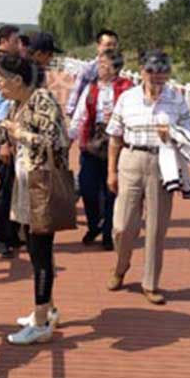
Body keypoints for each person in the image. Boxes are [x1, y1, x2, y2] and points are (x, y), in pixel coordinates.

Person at [0, 54, 71, 345]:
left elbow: (57, 141)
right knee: (34, 248)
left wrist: (22, 134)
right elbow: (0, 136)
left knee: (40, 251)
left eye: (1, 80)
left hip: (42, 184)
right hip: (26, 184)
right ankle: (47, 310)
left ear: (17, 80)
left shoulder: (42, 100)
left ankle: (41, 323)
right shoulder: (18, 103)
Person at [105, 50, 190, 305]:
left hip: (162, 162)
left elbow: (189, 134)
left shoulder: (176, 99)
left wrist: (173, 134)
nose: (157, 76)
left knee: (156, 228)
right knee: (122, 226)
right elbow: (115, 137)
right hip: (131, 158)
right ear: (142, 71)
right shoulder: (127, 98)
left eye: (163, 71)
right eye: (152, 71)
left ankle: (150, 283)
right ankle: (121, 266)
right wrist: (111, 171)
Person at [69, 49, 133, 250]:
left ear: (115, 68)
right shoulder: (92, 87)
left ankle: (107, 232)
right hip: (92, 140)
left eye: (104, 64)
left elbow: (135, 114)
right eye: (99, 63)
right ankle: (94, 223)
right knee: (87, 186)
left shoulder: (127, 89)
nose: (100, 68)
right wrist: (69, 139)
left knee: (111, 190)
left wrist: (117, 117)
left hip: (117, 141)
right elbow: (79, 115)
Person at [0, 24, 21, 257]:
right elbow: (1, 107)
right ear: (5, 40)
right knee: (6, 187)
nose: (18, 45)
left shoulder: (6, 61)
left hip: (13, 131)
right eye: (15, 41)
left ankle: (10, 234)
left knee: (13, 187)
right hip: (6, 133)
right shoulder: (0, 64)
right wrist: (4, 142)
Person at [65, 29, 120, 117]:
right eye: (108, 45)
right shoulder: (88, 70)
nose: (112, 48)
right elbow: (74, 99)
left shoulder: (120, 70)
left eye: (114, 45)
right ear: (98, 46)